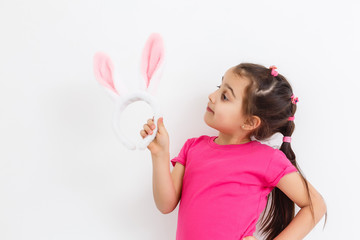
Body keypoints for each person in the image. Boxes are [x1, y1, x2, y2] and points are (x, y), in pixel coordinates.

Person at [140, 63, 328, 240]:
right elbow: (165, 205)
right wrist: (159, 154)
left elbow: (315, 206)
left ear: (250, 122)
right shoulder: (193, 147)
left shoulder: (267, 159)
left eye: (225, 96)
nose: (212, 96)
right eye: (219, 86)